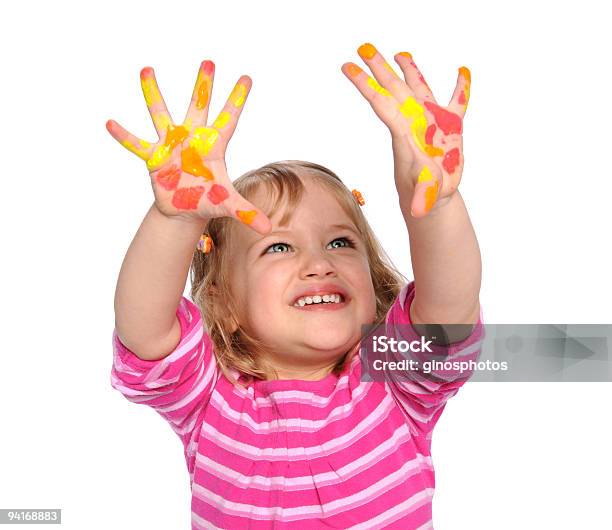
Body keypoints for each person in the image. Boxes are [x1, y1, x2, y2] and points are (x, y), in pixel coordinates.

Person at [107, 42, 484, 529]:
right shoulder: (211, 401)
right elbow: (145, 332)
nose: (318, 262)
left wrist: (434, 206)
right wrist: (175, 220)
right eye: (279, 248)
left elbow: (447, 312)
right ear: (225, 303)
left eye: (342, 242)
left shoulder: (392, 382)